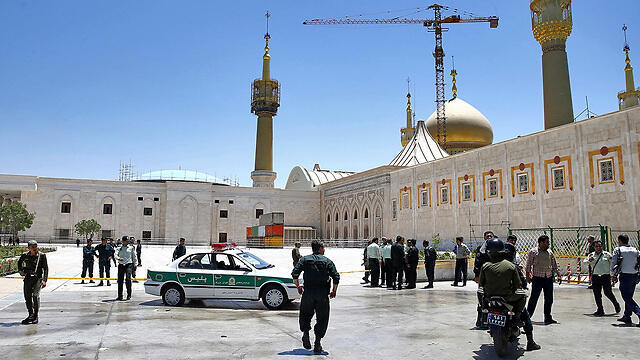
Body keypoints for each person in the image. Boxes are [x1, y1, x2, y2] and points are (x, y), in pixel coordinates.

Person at [479, 238, 540, 351]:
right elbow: (519, 286)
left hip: (490, 298)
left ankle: (483, 315)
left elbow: (481, 286)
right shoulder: (512, 267)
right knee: (525, 313)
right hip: (509, 299)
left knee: (482, 297)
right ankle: (530, 341)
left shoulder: (485, 266)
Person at [292, 240, 340, 354]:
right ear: (319, 248)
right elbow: (336, 277)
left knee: (305, 314)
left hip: (308, 293)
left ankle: (305, 333)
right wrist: (334, 290)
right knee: (322, 318)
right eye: (323, 247)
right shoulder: (327, 261)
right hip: (322, 294)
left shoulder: (304, 259)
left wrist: (298, 286)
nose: (324, 249)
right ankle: (317, 343)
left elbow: (295, 273)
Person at [525, 234, 562, 325]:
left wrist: (558, 274)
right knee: (534, 298)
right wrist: (527, 276)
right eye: (546, 242)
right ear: (541, 243)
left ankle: (548, 317)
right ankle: (527, 318)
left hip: (548, 278)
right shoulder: (533, 252)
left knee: (549, 298)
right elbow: (528, 265)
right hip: (537, 278)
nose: (548, 244)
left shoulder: (550, 252)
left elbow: (554, 265)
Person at [584, 240, 620, 316]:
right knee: (597, 294)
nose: (598, 248)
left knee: (608, 292)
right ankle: (600, 309)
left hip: (605, 276)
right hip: (595, 276)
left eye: (600, 246)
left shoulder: (607, 255)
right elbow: (585, 262)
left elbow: (613, 264)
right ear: (594, 247)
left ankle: (616, 305)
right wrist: (589, 260)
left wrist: (613, 274)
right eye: (597, 246)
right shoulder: (591, 255)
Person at [611, 234, 640, 325]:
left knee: (626, 297)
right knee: (629, 296)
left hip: (625, 276)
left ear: (619, 241)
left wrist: (613, 274)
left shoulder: (618, 249)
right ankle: (627, 316)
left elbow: (614, 263)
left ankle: (639, 312)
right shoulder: (635, 250)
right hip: (634, 275)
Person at [18, 240, 48, 325]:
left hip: (37, 279)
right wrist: (21, 271)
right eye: (33, 247)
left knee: (35, 296)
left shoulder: (41, 256)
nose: (35, 248)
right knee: (27, 296)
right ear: (29, 248)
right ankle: (30, 314)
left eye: (36, 246)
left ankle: (35, 316)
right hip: (28, 278)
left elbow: (45, 268)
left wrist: (44, 280)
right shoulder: (25, 255)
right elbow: (19, 262)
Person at [473, 230, 495, 329]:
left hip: (496, 277)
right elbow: (477, 262)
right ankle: (481, 320)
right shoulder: (480, 249)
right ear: (484, 238)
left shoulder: (497, 248)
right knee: (482, 297)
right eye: (487, 236)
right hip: (484, 277)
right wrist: (477, 275)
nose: (489, 238)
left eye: (491, 236)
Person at [116, 236, 137, 301]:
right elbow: (115, 255)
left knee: (128, 279)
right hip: (121, 265)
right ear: (123, 241)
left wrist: (135, 264)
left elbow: (134, 256)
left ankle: (129, 295)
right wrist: (119, 258)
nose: (127, 242)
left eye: (128, 241)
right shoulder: (119, 248)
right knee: (120, 280)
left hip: (129, 264)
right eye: (126, 241)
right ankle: (120, 296)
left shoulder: (131, 248)